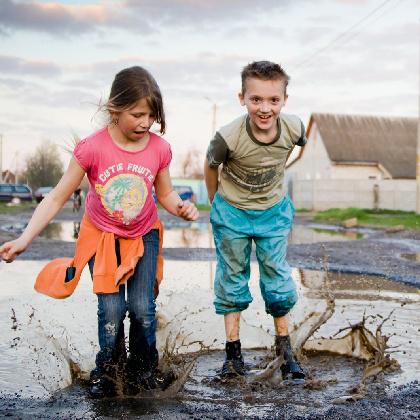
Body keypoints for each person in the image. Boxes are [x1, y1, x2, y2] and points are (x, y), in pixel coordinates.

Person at [0, 66, 199, 397]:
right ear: (114, 109)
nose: (145, 122)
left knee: (141, 307)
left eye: (151, 115)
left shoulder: (159, 149)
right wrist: (24, 239)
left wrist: (180, 206)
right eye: (137, 114)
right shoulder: (91, 148)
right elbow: (56, 196)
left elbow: (164, 193)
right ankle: (108, 369)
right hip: (101, 237)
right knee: (111, 309)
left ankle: (143, 370)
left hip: (143, 234)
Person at [204, 60, 306, 382]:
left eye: (273, 100)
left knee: (277, 278)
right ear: (242, 98)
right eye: (256, 99)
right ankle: (233, 356)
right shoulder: (228, 136)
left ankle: (285, 351)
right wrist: (214, 201)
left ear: (284, 100)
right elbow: (210, 167)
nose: (265, 108)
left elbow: (297, 148)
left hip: (272, 212)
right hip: (232, 212)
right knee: (232, 277)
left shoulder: (295, 129)